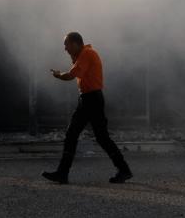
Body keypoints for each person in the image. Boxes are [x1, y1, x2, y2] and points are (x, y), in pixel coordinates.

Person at [42, 32, 133, 185]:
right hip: (90, 98)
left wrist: (58, 75)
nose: (65, 48)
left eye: (67, 44)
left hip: (91, 99)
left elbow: (71, 75)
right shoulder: (85, 54)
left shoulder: (86, 53)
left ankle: (63, 173)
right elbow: (76, 72)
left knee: (75, 134)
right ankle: (124, 170)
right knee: (99, 137)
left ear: (76, 43)